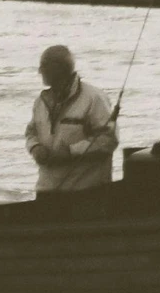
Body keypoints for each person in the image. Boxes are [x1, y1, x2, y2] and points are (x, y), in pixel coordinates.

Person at [25, 44, 117, 195]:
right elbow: (31, 132)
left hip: (86, 191)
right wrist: (35, 148)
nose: (39, 71)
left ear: (58, 69)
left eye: (43, 66)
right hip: (47, 189)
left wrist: (71, 152)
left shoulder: (94, 98)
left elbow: (108, 140)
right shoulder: (41, 101)